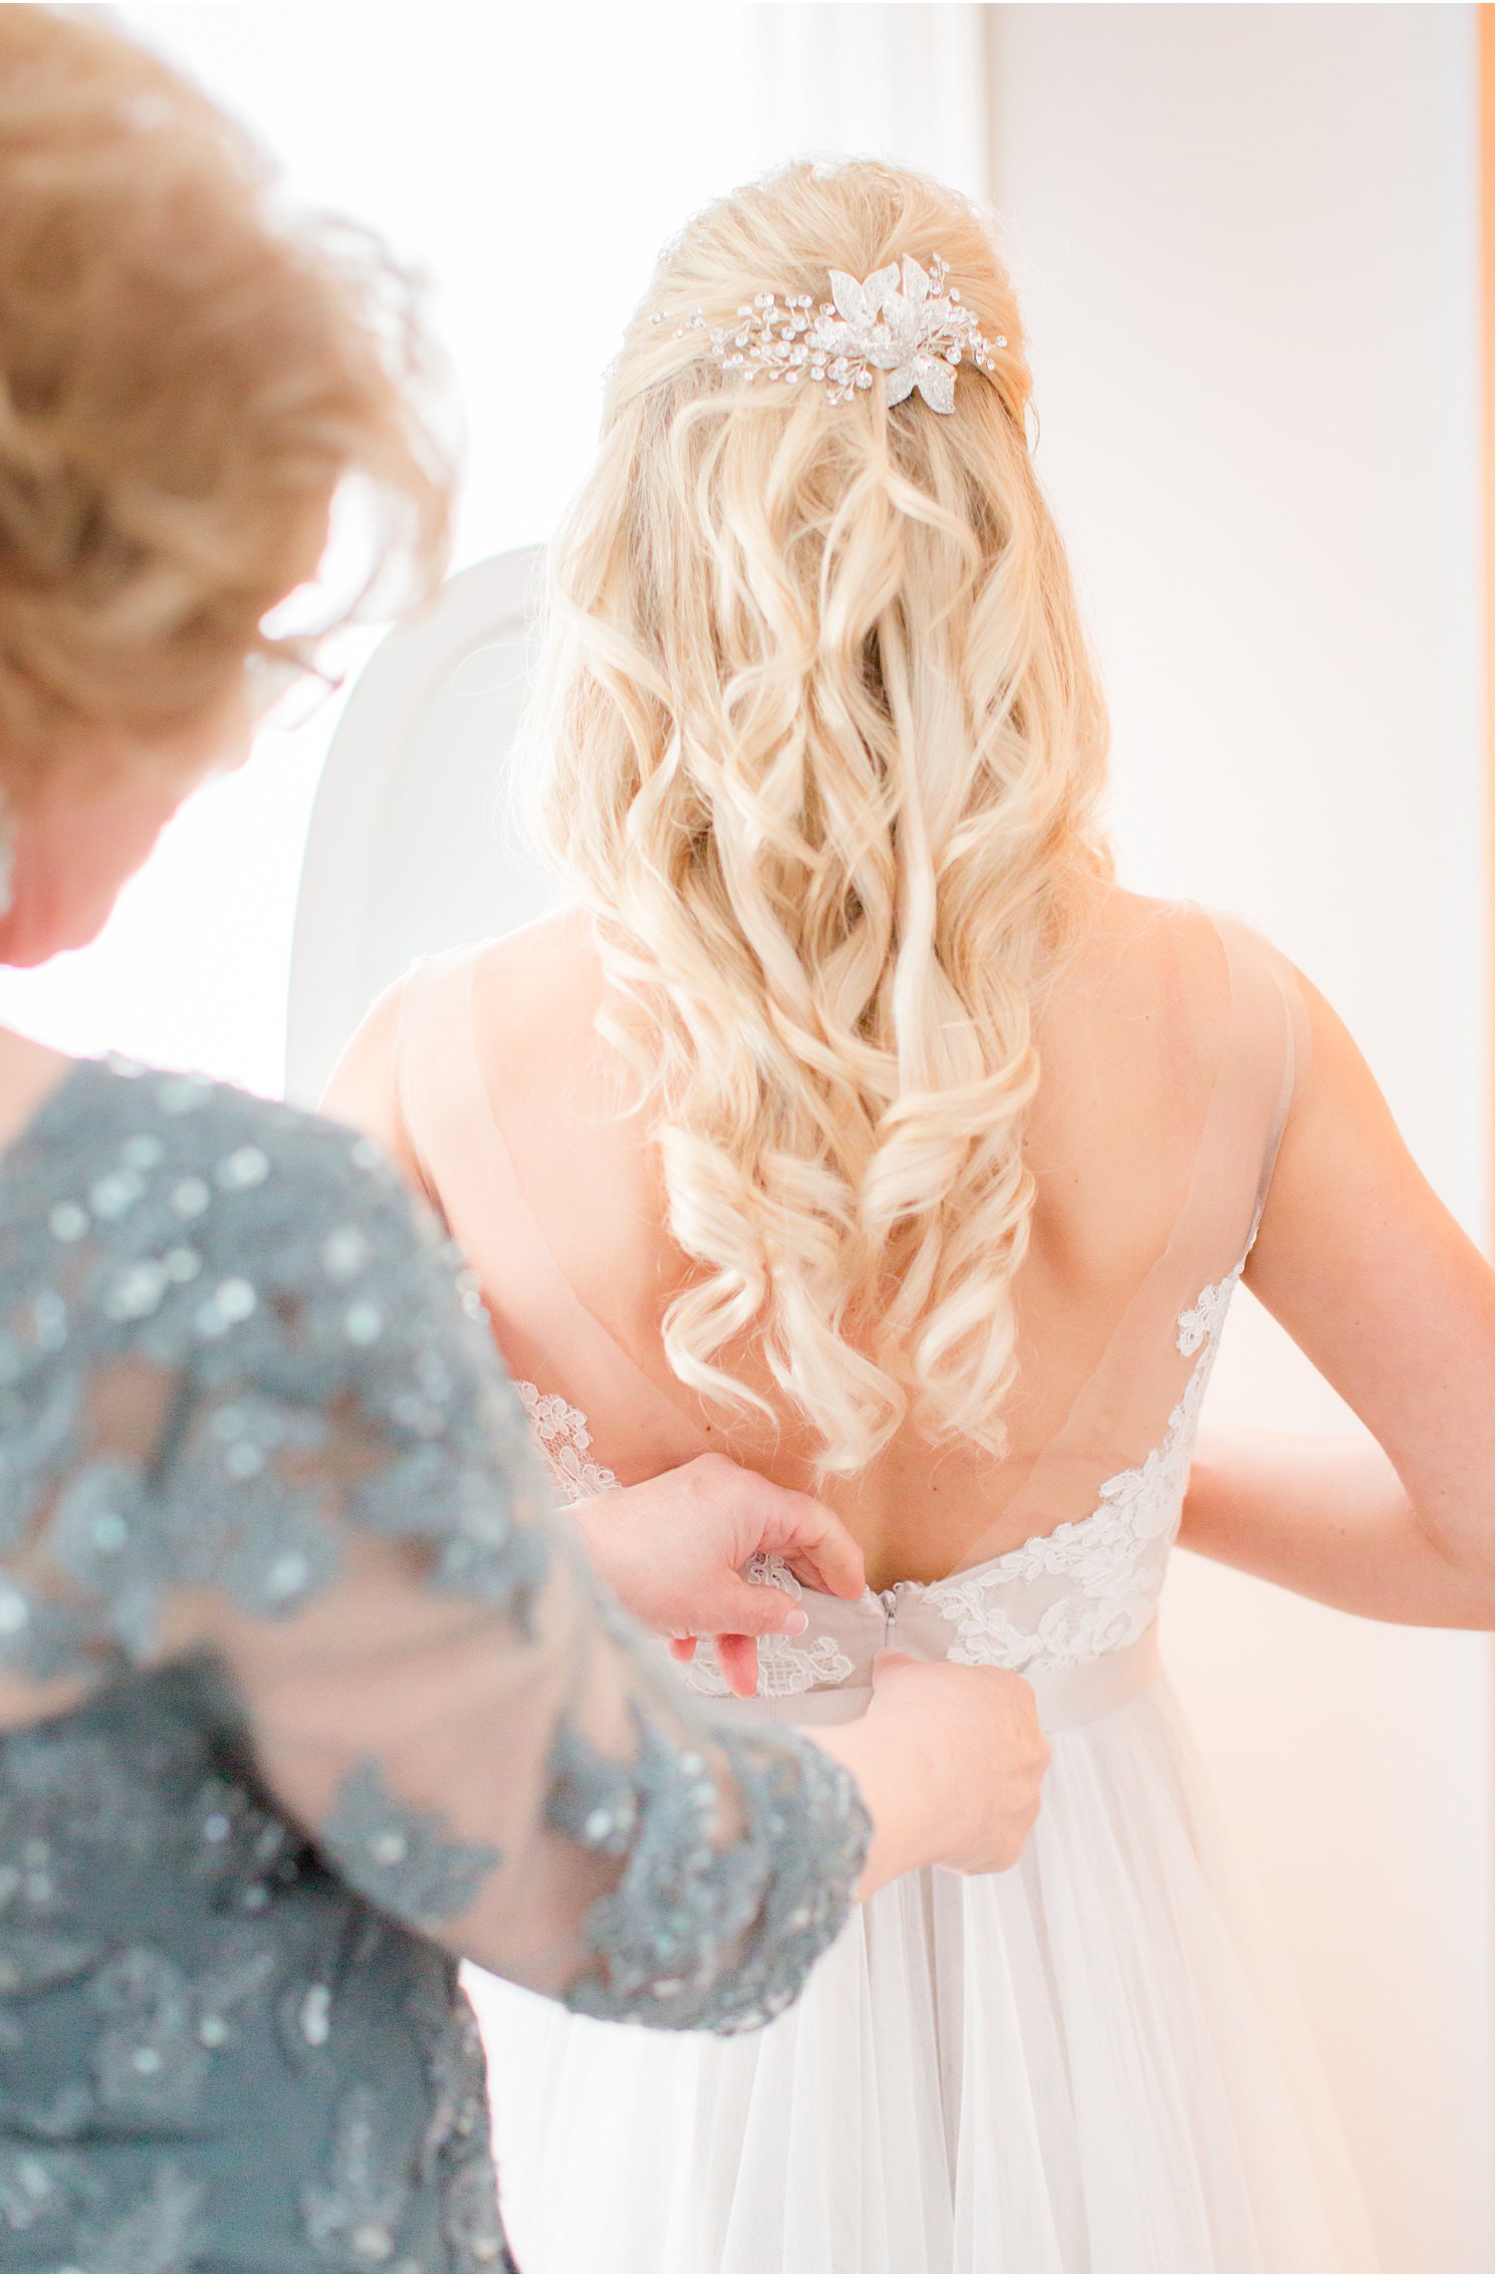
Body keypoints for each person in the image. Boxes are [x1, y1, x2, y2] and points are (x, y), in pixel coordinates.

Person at [329, 158, 1494, 2273]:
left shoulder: (434, 1064)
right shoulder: (1236, 1028)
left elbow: (288, 1616)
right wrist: (1142, 1505)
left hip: (661, 2001)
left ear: (636, 558)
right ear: (1003, 551)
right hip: (1101, 2012)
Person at [0, 23, 1052, 2274]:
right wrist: (924, 1778)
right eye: (230, 656)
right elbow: (608, 1874)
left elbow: (103, 1668)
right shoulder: (195, 1241)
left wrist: (524, 1559)